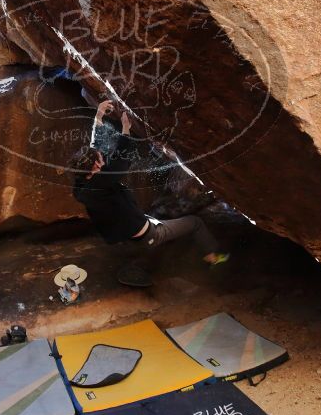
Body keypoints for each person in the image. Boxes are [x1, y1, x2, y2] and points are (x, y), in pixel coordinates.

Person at [70, 100, 228, 287]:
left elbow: (93, 149)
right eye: (100, 160)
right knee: (195, 223)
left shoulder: (82, 186)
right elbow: (122, 159)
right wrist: (126, 129)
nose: (103, 159)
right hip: (146, 235)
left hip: (125, 233)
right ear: (96, 166)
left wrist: (99, 116)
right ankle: (214, 257)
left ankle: (141, 261)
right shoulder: (105, 181)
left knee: (160, 213)